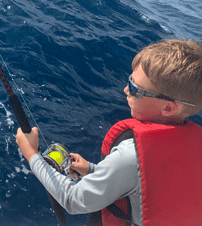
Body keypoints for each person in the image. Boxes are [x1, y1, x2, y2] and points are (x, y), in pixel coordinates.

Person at [16, 39, 202, 226]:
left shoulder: (130, 156)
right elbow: (146, 185)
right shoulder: (193, 147)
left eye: (136, 89)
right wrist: (91, 170)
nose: (125, 90)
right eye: (129, 81)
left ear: (168, 108)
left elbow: (74, 200)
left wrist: (31, 154)